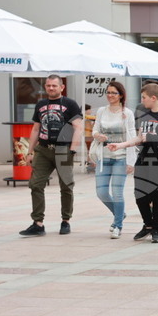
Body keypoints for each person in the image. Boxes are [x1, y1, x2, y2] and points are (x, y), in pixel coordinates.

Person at [108, 82, 158, 244]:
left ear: (153, 98)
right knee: (139, 194)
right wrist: (120, 145)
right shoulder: (143, 113)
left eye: (144, 97)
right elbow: (140, 137)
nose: (142, 100)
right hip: (144, 158)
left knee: (157, 196)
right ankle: (147, 225)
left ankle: (156, 229)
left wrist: (154, 138)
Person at [20, 74, 84, 237]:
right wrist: (29, 151)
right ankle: (38, 223)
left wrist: (72, 149)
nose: (50, 88)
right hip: (43, 149)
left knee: (66, 187)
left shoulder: (70, 104)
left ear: (61, 87)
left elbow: (78, 127)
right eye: (48, 85)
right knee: (35, 184)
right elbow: (36, 129)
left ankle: (65, 220)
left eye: (54, 86)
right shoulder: (41, 104)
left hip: (63, 149)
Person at [88, 81, 136, 240]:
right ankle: (120, 214)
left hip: (120, 158)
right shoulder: (101, 111)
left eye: (113, 93)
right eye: (108, 92)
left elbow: (131, 137)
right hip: (103, 156)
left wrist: (131, 161)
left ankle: (117, 225)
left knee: (117, 193)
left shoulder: (127, 113)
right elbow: (95, 129)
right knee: (101, 192)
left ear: (121, 95)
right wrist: (97, 135)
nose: (110, 95)